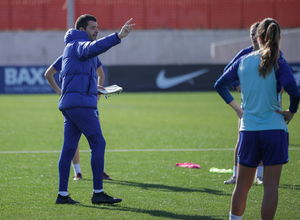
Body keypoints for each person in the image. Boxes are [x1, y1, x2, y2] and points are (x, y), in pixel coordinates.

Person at [215, 18, 300, 220]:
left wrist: (238, 108)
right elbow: (294, 92)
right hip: (274, 130)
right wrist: (291, 111)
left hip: (249, 130)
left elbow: (220, 84)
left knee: (242, 186)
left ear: (259, 37)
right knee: (271, 187)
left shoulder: (244, 60)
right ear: (278, 37)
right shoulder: (279, 62)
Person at [54, 14, 134, 204]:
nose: (97, 30)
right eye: (93, 28)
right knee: (98, 143)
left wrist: (96, 89)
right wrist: (118, 36)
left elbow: (71, 78)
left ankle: (62, 195)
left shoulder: (70, 47)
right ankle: (98, 193)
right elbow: (95, 48)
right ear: (82, 31)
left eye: (98, 27)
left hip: (72, 104)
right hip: (81, 105)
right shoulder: (80, 45)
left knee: (68, 150)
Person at [45, 55, 113, 181]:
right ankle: (78, 172)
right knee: (73, 140)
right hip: (74, 104)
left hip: (89, 104)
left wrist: (97, 96)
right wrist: (60, 92)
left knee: (97, 139)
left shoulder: (92, 55)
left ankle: (101, 171)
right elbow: (48, 74)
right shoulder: (67, 56)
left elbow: (101, 75)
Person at [223, 22, 264, 185]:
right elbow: (227, 71)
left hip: (265, 105)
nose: (253, 37)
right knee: (241, 139)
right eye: (251, 34)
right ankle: (235, 175)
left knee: (261, 139)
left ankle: (259, 175)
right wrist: (236, 85)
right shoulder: (245, 54)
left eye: (256, 33)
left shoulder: (270, 54)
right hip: (246, 105)